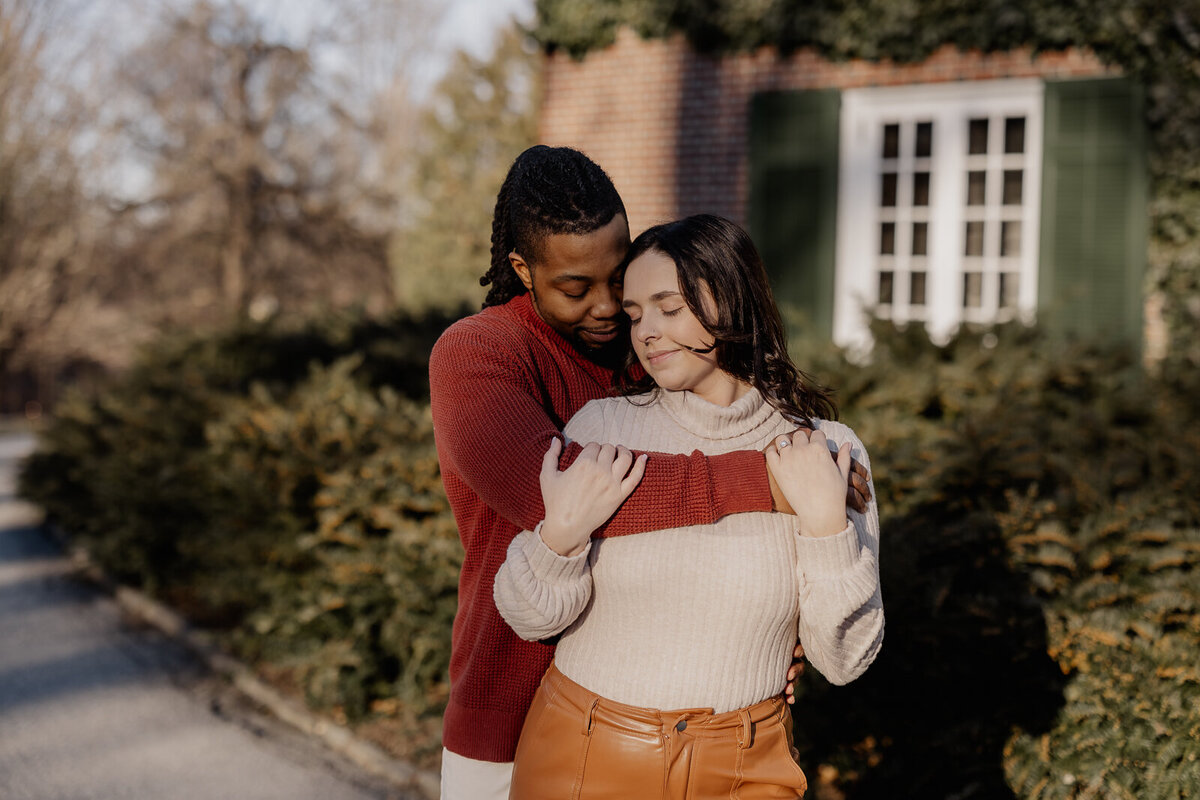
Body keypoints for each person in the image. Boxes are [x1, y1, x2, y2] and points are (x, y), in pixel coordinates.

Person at [429, 147, 871, 800]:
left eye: (621, 280)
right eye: (576, 288)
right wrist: (774, 485)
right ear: (522, 269)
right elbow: (559, 489)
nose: (611, 309)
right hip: (514, 697)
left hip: (695, 735)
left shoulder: (650, 358)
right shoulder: (479, 352)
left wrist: (775, 625)